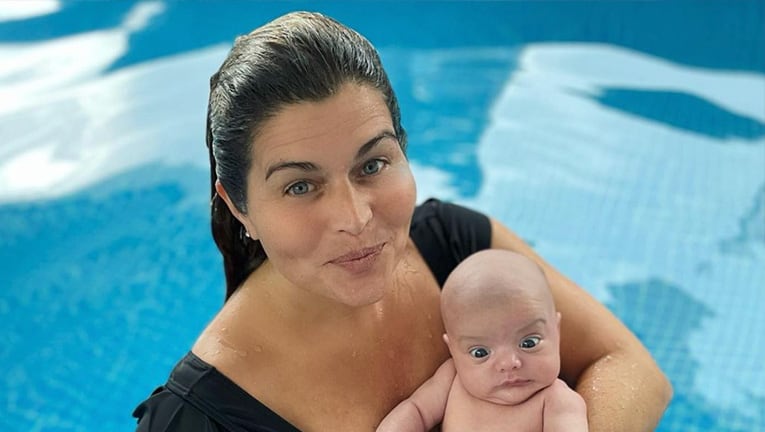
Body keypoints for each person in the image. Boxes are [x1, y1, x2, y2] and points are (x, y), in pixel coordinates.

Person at [132, 11, 672, 432]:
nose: (355, 217)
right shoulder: (198, 420)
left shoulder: (459, 250)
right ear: (238, 206)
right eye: (300, 185)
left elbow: (632, 368)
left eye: (372, 164)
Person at [376, 249, 588, 432]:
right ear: (454, 351)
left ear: (556, 332)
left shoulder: (557, 402)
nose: (509, 364)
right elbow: (416, 411)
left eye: (529, 343)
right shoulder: (452, 380)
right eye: (480, 353)